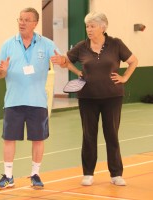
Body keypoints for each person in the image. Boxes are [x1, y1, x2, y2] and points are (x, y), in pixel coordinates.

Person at [51, 11, 138, 186]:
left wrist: (125, 77)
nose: (89, 29)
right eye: (87, 26)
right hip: (87, 98)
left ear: (103, 27)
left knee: (111, 135)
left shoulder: (116, 44)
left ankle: (116, 174)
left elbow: (133, 61)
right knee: (89, 135)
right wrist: (73, 69)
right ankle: (88, 173)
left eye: (92, 26)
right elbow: (66, 60)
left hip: (112, 97)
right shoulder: (82, 46)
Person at [0, 7, 61, 190]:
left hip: (38, 101)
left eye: (26, 20)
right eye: (20, 19)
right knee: (9, 139)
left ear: (35, 23)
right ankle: (8, 176)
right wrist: (2, 70)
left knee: (38, 139)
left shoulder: (46, 44)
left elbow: (62, 60)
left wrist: (61, 61)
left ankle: (35, 174)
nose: (22, 23)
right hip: (13, 100)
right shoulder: (8, 44)